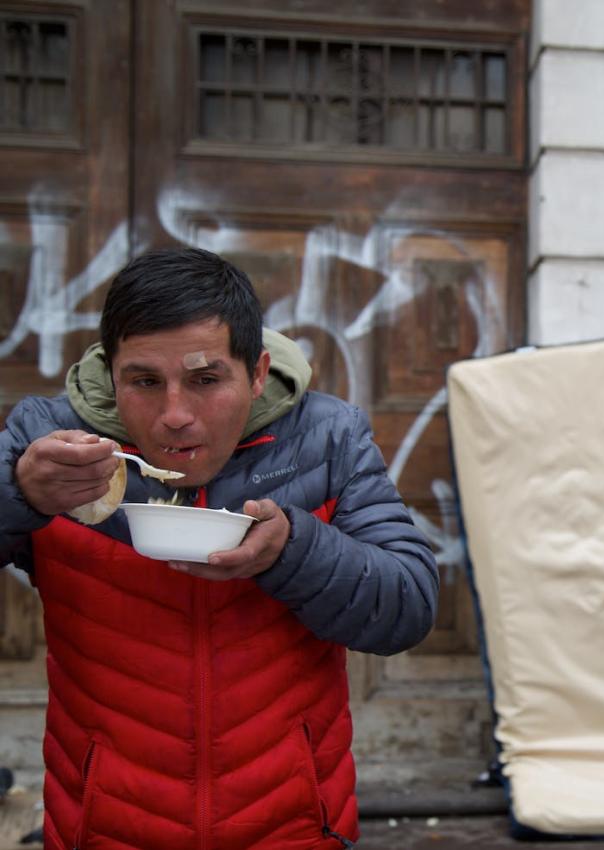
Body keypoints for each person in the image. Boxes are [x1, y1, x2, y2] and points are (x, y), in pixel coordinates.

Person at [0, 248, 439, 849]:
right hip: (102, 827)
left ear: (257, 372)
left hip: (294, 828)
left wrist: (293, 551)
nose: (175, 415)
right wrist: (18, 493)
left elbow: (409, 606)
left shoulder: (328, 439)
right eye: (145, 382)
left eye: (206, 380)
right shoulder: (49, 444)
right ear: (111, 373)